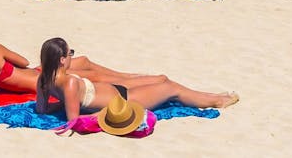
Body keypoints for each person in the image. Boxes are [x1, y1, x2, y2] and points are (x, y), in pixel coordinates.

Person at [33, 37, 238, 133]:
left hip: (119, 91)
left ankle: (210, 95)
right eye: (70, 54)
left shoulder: (44, 79)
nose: (71, 57)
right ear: (61, 59)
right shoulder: (68, 82)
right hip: (123, 102)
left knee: (162, 79)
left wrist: (64, 103)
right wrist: (105, 115)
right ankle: (216, 100)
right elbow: (74, 121)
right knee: (170, 88)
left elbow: (42, 110)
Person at [0, 12, 162, 94]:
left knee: (82, 61)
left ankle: (131, 77)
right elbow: (24, 61)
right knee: (94, 76)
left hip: (36, 76)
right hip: (42, 80)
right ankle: (141, 80)